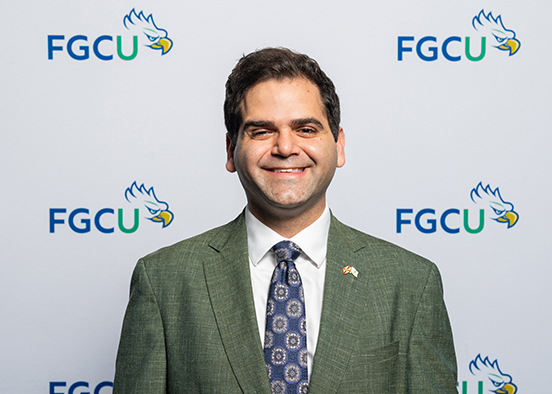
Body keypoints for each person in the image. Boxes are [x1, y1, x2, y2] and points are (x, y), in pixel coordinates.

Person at [113, 47, 457, 393]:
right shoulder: (164, 281)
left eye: (306, 129)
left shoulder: (410, 283)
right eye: (262, 131)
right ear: (231, 149)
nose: (285, 147)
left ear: (338, 146)